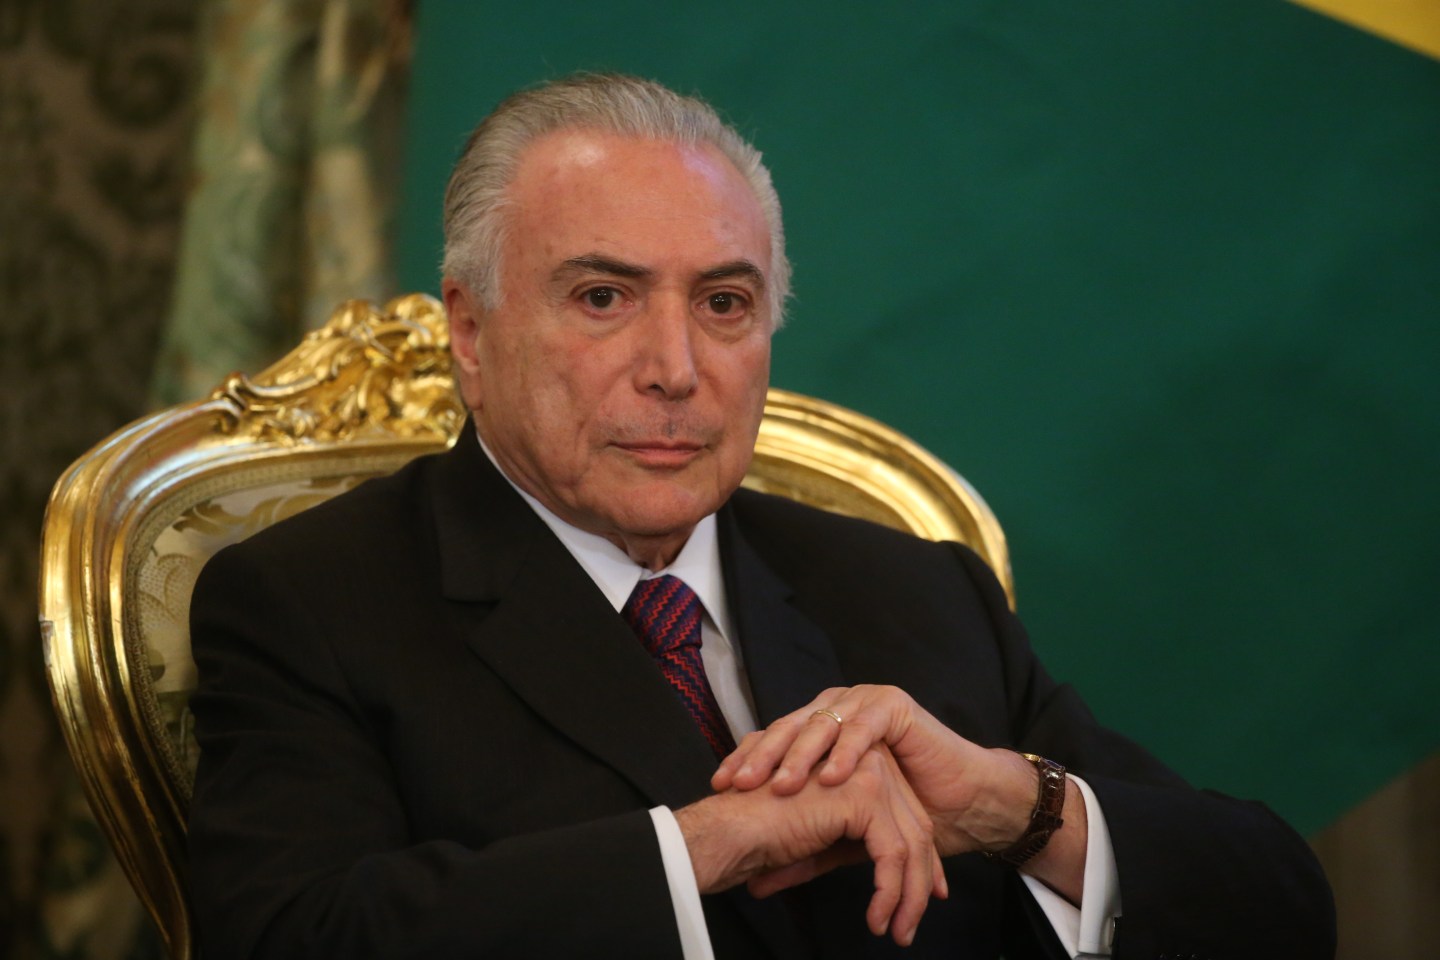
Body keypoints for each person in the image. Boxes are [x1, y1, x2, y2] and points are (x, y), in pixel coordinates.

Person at [186, 73, 1335, 959]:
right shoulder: (309, 603)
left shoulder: (917, 591)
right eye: (603, 297)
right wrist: (708, 844)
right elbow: (286, 938)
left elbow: (1280, 907)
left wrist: (1010, 807)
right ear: (472, 334)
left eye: (724, 304)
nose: (676, 368)